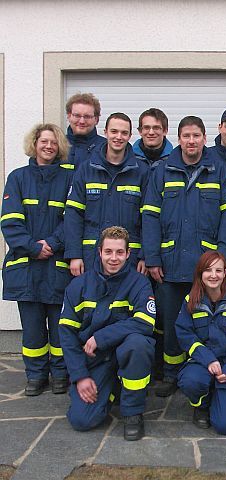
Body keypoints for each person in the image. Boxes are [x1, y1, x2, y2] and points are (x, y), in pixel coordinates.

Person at [142, 115, 226, 396]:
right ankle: (172, 374)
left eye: (196, 136)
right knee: (172, 324)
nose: (191, 141)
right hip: (170, 266)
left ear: (205, 138)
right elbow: (149, 216)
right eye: (186, 136)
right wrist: (153, 258)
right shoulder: (161, 171)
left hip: (207, 269)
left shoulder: (219, 170)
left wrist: (221, 259)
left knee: (205, 324)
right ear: (178, 138)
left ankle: (202, 369)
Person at [59, 226, 156, 441]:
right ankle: (113, 388)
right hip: (95, 361)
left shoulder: (140, 283)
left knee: (138, 344)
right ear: (99, 251)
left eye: (120, 252)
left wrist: (100, 337)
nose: (114, 258)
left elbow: (145, 323)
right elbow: (66, 335)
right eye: (109, 252)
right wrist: (81, 376)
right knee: (82, 421)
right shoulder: (78, 286)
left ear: (128, 254)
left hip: (125, 353)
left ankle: (132, 413)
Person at [1, 124, 73, 395]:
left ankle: (59, 374)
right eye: (44, 141)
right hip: (27, 266)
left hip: (56, 265)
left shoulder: (69, 177)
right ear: (35, 144)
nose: (49, 146)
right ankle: (35, 375)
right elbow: (10, 221)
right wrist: (32, 247)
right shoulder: (17, 178)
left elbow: (73, 219)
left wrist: (52, 243)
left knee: (59, 327)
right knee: (32, 330)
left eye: (54, 143)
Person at [175, 251, 226, 434]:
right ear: (200, 273)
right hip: (204, 363)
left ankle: (224, 397)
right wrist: (208, 360)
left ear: (225, 273)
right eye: (208, 270)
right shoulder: (191, 301)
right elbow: (185, 334)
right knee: (190, 381)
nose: (213, 275)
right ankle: (202, 404)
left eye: (218, 270)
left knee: (225, 426)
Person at [64, 113, 149, 276]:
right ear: (105, 132)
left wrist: (146, 255)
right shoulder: (86, 169)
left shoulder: (142, 171)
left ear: (130, 136)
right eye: (114, 131)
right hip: (91, 258)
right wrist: (74, 255)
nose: (119, 137)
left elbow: (148, 218)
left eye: (124, 133)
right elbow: (73, 215)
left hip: (130, 261)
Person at [64, 93, 106, 168]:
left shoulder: (106, 148)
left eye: (87, 116)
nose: (82, 121)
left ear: (96, 119)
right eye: (77, 115)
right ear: (69, 116)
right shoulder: (57, 145)